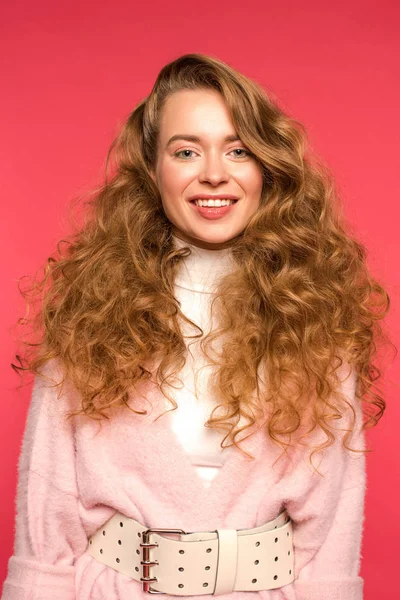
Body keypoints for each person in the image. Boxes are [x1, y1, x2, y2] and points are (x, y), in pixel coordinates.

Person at [1, 53, 392, 600]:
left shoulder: (317, 319)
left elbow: (334, 531)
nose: (214, 172)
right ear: (153, 169)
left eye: (238, 150)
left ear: (266, 168)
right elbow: (47, 517)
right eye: (186, 151)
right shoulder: (91, 313)